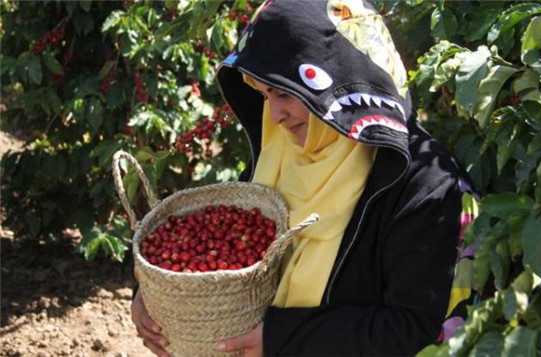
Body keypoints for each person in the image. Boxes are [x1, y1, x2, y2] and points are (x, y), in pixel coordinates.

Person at [131, 0, 477, 356]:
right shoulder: (282, 155)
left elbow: (416, 328)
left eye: (285, 93)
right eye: (265, 94)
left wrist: (283, 339)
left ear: (339, 82)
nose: (276, 114)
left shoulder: (427, 189)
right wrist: (158, 293)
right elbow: (214, 247)